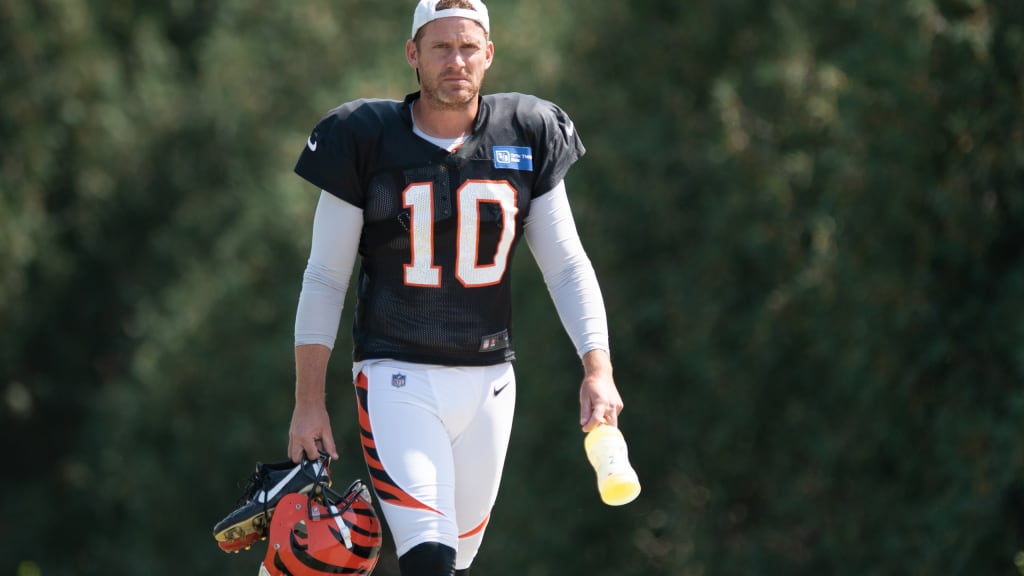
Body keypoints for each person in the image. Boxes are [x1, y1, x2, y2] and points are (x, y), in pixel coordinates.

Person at [287, 1, 624, 574]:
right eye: (441, 47)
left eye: (468, 47)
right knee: (429, 558)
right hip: (397, 375)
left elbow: (566, 264)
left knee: (457, 562)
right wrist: (309, 402)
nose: (456, 60)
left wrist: (598, 370)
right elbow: (325, 277)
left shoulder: (528, 131)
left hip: (491, 382)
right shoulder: (363, 137)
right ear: (413, 55)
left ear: (489, 55)